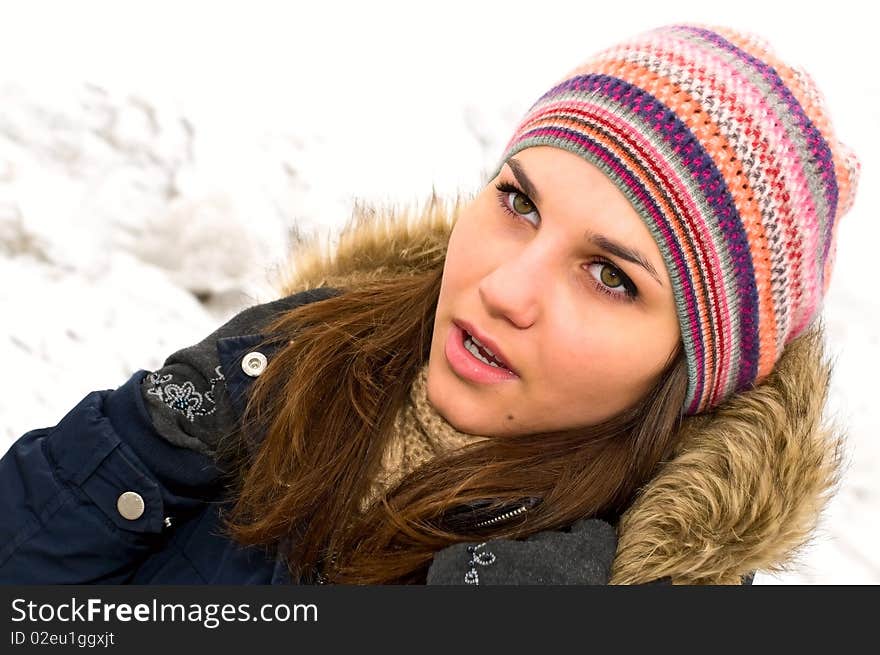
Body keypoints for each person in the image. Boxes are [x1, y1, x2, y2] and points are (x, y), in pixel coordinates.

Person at [0, 23, 860, 585]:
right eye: (520, 203)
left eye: (612, 277)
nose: (505, 288)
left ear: (694, 377)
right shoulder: (283, 357)